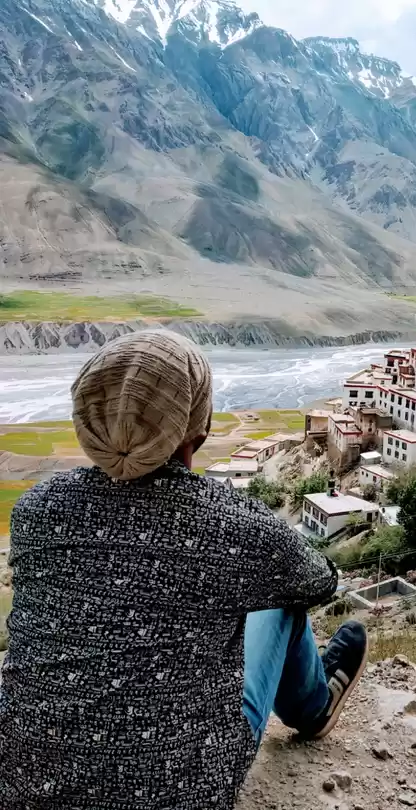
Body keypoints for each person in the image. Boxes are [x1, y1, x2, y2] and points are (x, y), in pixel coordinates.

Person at [0, 331, 368, 810]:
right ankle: (314, 708)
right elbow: (319, 580)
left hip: (22, 788)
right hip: (180, 791)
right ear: (202, 424)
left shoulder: (35, 510)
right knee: (283, 600)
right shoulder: (235, 524)